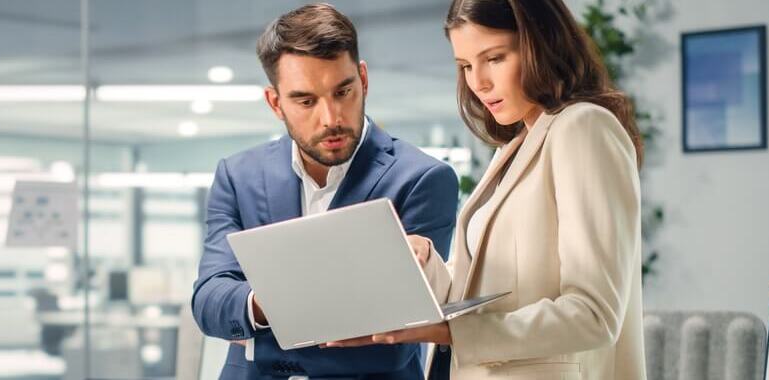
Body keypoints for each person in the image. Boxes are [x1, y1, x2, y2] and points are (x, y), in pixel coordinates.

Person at [325, 0, 647, 378]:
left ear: (540, 44)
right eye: (465, 66)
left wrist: (449, 332)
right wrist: (422, 260)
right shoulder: (512, 148)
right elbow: (478, 293)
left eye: (494, 58)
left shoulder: (582, 127)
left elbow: (593, 315)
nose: (478, 82)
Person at [190, 3, 460, 379]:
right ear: (275, 103)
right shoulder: (238, 176)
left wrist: (259, 331)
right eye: (305, 101)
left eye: (343, 91)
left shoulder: (423, 179)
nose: (331, 118)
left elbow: (394, 339)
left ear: (363, 80)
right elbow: (209, 304)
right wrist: (271, 303)